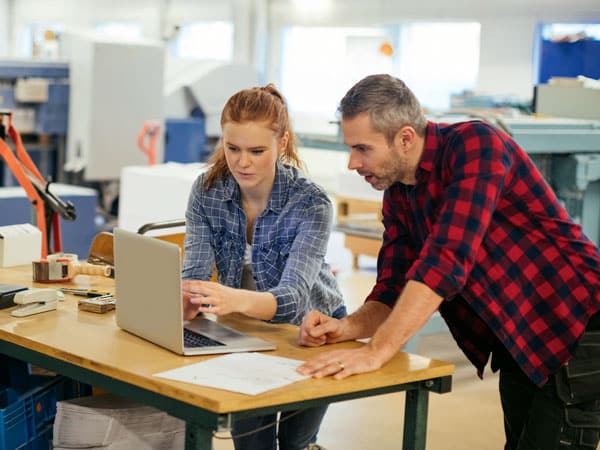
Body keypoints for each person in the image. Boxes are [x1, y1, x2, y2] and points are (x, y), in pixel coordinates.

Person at [297, 74, 600, 450]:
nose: (352, 163)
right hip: (521, 333)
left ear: (405, 138)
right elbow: (391, 288)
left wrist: (378, 351)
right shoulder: (400, 193)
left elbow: (447, 260)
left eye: (362, 148)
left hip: (576, 322)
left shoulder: (477, 146)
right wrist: (345, 328)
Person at [182, 83, 345, 450]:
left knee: (296, 444)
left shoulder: (311, 204)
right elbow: (193, 271)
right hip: (243, 329)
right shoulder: (206, 191)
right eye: (232, 148)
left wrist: (227, 299)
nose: (242, 162)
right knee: (251, 443)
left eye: (257, 151)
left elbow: (292, 299)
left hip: (310, 332)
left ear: (282, 143)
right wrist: (186, 297)